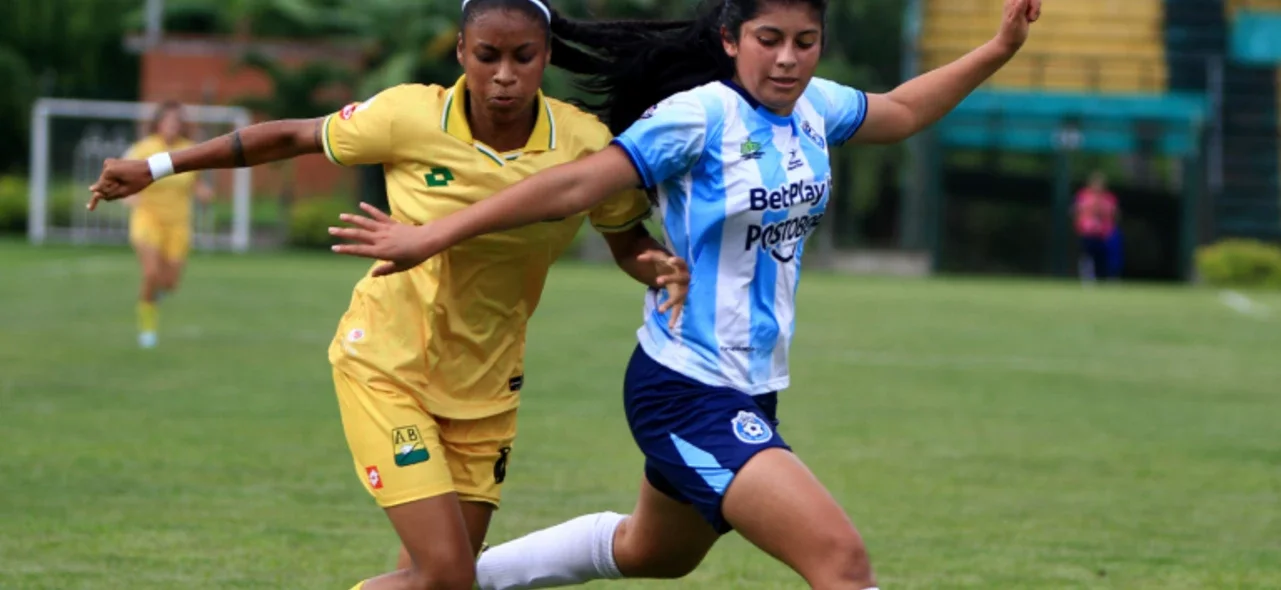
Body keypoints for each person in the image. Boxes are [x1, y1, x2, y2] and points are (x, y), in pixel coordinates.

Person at [326, 0, 1041, 588]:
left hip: (753, 384)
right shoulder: (696, 117)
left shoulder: (816, 105)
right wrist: (432, 235)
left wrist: (999, 48)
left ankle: (463, 582)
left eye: (805, 42)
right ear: (731, 40)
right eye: (768, 39)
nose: (787, 58)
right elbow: (572, 186)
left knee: (654, 552)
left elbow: (904, 111)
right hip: (686, 389)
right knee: (841, 563)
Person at [86, 1, 692, 588]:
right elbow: (294, 136)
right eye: (488, 56)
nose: (505, 75)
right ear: (461, 51)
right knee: (447, 575)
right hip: (388, 365)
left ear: (547, 55)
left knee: (438, 581)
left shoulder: (586, 145)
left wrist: (665, 270)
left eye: (523, 57)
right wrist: (158, 167)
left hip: (487, 387)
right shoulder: (408, 115)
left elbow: (626, 243)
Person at [120, 101, 215, 348]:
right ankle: (147, 329)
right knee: (151, 273)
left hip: (178, 224)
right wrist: (128, 195)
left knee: (170, 282)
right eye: (167, 120)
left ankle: (155, 294)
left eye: (176, 121)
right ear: (158, 123)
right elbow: (123, 176)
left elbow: (193, 182)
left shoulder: (189, 150)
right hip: (148, 218)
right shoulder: (144, 148)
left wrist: (203, 192)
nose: (172, 125)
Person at [1073, 170, 1121, 282]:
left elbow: (1115, 214)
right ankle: (1088, 277)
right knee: (1087, 254)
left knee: (1110, 251)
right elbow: (1076, 212)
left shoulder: (1109, 198)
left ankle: (1110, 277)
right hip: (1088, 233)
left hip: (1104, 234)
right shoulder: (1083, 196)